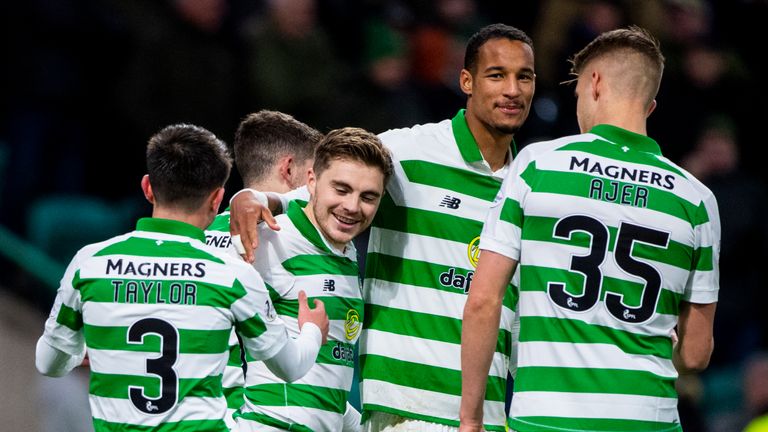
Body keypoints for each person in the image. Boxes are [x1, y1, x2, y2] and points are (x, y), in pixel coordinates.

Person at [228, 23, 536, 432]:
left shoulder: (532, 181)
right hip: (407, 408)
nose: (512, 90)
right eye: (497, 75)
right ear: (466, 80)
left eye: (524, 77)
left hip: (486, 414)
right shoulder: (410, 151)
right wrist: (264, 198)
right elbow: (337, 183)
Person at [460, 26, 720, 432]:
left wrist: (471, 418)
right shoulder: (696, 200)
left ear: (594, 83)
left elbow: (482, 302)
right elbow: (696, 354)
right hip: (647, 420)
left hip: (547, 417)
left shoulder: (538, 165)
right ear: (649, 106)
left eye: (578, 91)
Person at [35, 123, 329, 430]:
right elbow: (291, 366)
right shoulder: (231, 275)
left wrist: (84, 351)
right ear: (217, 199)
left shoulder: (90, 262)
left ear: (148, 187)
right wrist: (311, 331)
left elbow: (48, 363)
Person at [235, 127, 393, 431]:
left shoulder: (345, 251)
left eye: (368, 197)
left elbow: (325, 383)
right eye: (342, 189)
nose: (352, 207)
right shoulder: (269, 239)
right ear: (311, 180)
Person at [205, 110, 323, 427]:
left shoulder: (200, 240)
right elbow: (301, 377)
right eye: (314, 176)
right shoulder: (288, 243)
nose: (317, 190)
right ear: (288, 169)